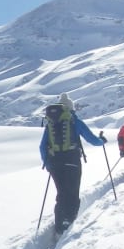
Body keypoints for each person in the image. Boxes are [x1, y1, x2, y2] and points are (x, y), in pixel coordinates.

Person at [39, 93, 106, 235]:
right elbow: (92, 140)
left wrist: (48, 163)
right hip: (72, 161)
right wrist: (102, 141)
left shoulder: (50, 124)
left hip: (55, 163)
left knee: (61, 193)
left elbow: (42, 146)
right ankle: (68, 221)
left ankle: (59, 226)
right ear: (71, 108)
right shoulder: (74, 121)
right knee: (72, 193)